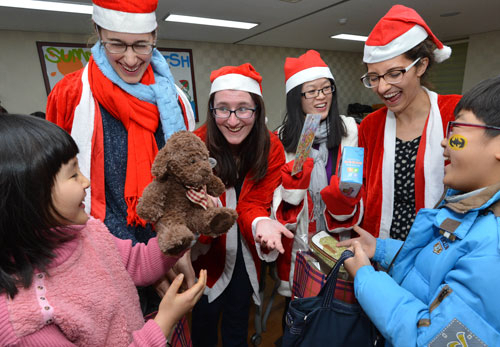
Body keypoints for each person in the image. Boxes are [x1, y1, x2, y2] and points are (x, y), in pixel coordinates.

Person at [0, 114, 207, 346]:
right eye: (73, 174)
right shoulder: (25, 322)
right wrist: (164, 322)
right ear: (29, 197)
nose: (86, 181)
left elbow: (137, 263)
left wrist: (188, 223)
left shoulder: (88, 231)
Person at [45, 0, 196, 318]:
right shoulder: (70, 95)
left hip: (163, 248)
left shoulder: (174, 101)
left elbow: (185, 181)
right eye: (116, 44)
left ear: (155, 37)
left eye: (141, 45)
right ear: (98, 33)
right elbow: (50, 188)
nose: (130, 59)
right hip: (97, 254)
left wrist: (175, 250)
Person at [339, 75, 500, 346]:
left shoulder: (493, 249)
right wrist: (379, 248)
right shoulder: (469, 209)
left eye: (457, 130)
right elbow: (437, 265)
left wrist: (366, 278)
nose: (445, 142)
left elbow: (431, 340)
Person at [190, 63, 288, 346]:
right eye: (222, 109)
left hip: (246, 252)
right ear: (212, 111)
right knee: (204, 323)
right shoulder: (196, 145)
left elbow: (255, 202)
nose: (233, 120)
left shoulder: (270, 146)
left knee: (237, 324)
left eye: (243, 108)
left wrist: (262, 222)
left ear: (257, 110)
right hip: (206, 255)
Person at [270, 49, 362, 334]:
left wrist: (343, 196)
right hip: (302, 242)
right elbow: (281, 214)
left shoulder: (348, 129)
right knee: (302, 313)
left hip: (341, 236)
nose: (321, 97)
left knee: (340, 313)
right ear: (296, 98)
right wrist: (294, 187)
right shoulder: (282, 139)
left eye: (326, 88)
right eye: (311, 91)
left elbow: (356, 185)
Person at [358, 4, 461, 240]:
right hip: (381, 250)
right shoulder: (370, 126)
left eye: (394, 74)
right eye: (374, 77)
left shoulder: (456, 114)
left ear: (421, 65)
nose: (382, 88)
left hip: (440, 250)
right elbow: (362, 192)